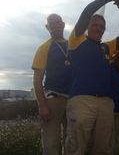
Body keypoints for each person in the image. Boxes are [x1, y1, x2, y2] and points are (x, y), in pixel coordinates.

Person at [65, 0, 119, 155]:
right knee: (76, 146)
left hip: (106, 103)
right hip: (82, 100)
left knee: (103, 148)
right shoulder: (77, 39)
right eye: (95, 25)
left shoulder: (106, 47)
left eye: (102, 27)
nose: (98, 29)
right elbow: (88, 11)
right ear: (87, 26)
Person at [32, 13, 72, 155]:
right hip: (53, 100)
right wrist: (42, 106)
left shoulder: (72, 45)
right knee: (51, 143)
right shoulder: (44, 48)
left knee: (71, 142)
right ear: (47, 27)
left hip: (73, 100)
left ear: (63, 24)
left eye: (58, 22)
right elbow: (37, 80)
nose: (55, 25)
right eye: (52, 23)